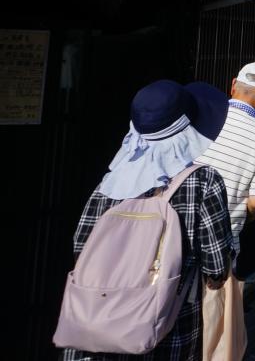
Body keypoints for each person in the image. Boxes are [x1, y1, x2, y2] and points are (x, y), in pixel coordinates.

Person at [60, 80, 233, 361]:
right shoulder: (202, 181)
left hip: (96, 318)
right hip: (165, 323)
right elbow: (216, 263)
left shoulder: (113, 179)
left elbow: (81, 246)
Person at [191, 62, 255, 361]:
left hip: (173, 233)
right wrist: (241, 213)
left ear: (233, 85)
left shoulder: (201, 118)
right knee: (211, 326)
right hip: (221, 242)